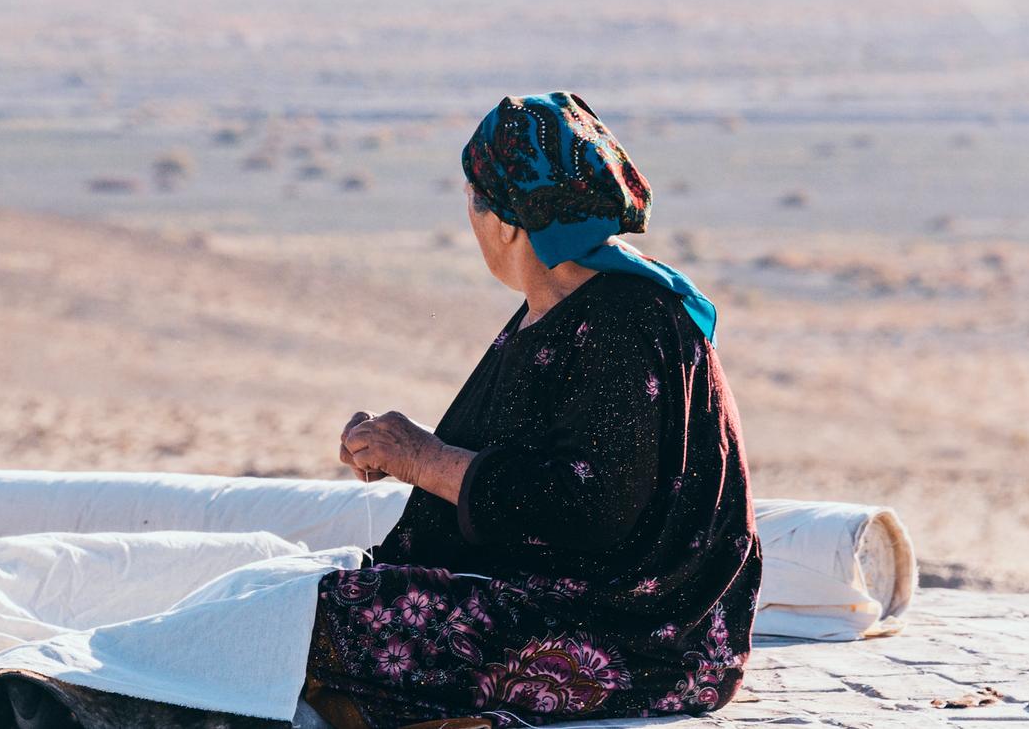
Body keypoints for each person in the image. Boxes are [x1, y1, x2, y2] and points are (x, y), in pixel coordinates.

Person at [303, 91, 762, 729]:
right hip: (573, 606)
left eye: (473, 199)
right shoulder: (562, 309)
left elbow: (585, 509)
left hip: (642, 642)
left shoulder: (621, 325)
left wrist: (425, 458)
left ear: (509, 222)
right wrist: (394, 451)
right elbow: (521, 462)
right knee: (294, 599)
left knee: (320, 619)